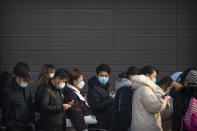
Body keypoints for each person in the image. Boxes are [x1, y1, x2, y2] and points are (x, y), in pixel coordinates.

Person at [131, 66, 169, 131]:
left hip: (141, 125)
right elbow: (154, 107)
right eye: (154, 77)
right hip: (148, 126)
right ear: (147, 76)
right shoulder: (145, 89)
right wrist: (165, 101)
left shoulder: (140, 88)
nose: (155, 79)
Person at [1, 62, 35, 131]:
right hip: (14, 127)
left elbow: (30, 104)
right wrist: (6, 126)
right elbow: (5, 112)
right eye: (24, 80)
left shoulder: (26, 88)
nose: (26, 82)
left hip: (26, 125)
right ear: (17, 77)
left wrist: (32, 120)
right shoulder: (8, 91)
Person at [110, 66, 139, 131]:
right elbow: (124, 110)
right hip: (122, 126)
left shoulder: (123, 86)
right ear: (130, 76)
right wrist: (129, 124)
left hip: (119, 124)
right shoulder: (126, 88)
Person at [87, 64, 114, 130]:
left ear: (109, 77)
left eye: (106, 76)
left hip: (106, 124)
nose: (104, 78)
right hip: (99, 125)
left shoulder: (104, 88)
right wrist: (111, 99)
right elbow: (95, 106)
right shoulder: (93, 89)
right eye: (101, 75)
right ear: (97, 76)